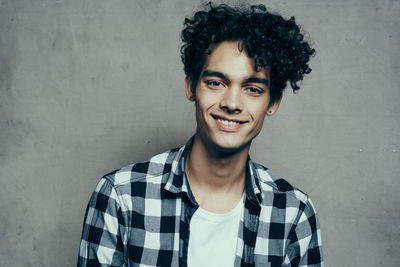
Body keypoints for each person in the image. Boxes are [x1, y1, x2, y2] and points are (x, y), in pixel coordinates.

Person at [78, 3, 323, 266]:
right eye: (216, 83)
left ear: (273, 103)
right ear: (191, 86)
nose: (232, 102)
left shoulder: (293, 213)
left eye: (252, 89)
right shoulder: (120, 196)